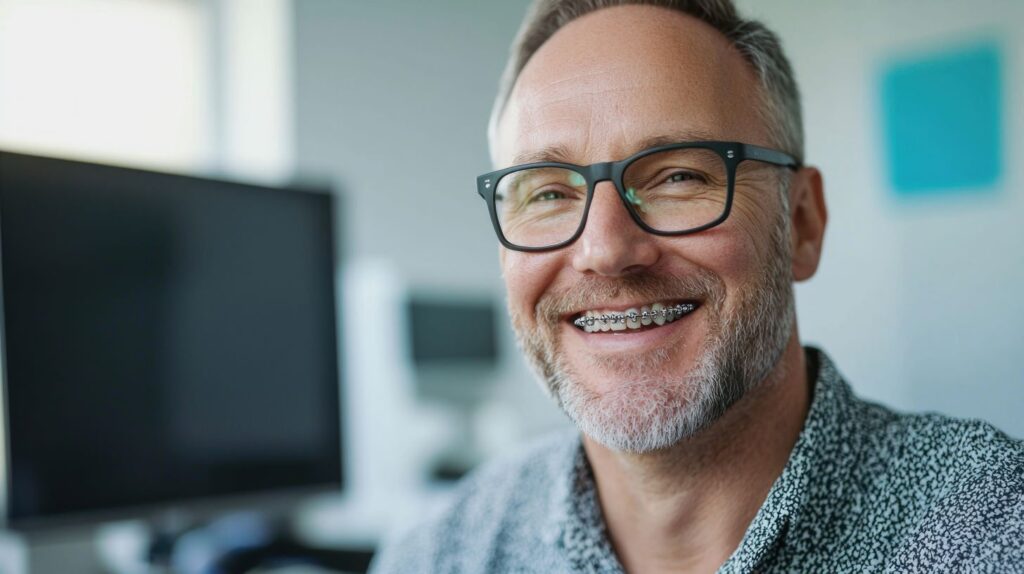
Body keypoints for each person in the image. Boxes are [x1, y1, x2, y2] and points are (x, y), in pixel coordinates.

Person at [370, 1, 1024, 572]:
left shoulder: (990, 535)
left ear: (801, 223)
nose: (605, 250)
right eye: (547, 192)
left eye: (678, 177)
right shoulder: (439, 552)